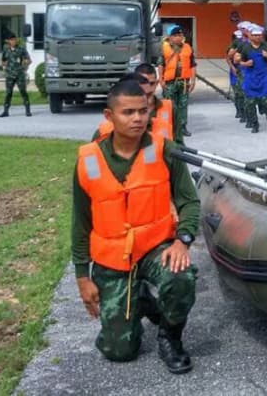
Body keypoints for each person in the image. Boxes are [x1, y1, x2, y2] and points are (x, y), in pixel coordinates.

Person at [72, 80, 200, 372]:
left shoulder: (165, 149)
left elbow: (190, 202)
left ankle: (170, 337)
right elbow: (80, 222)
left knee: (180, 276)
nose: (138, 118)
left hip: (156, 248)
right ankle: (140, 300)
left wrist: (183, 240)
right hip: (112, 258)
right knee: (119, 351)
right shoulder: (88, 159)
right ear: (109, 116)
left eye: (142, 111)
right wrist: (82, 276)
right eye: (128, 112)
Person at [93, 66, 174, 142]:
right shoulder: (103, 133)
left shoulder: (163, 130)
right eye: (128, 112)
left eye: (148, 95)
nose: (147, 102)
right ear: (109, 115)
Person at [234, 26, 267, 133]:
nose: (257, 37)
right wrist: (245, 63)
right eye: (255, 35)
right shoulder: (245, 47)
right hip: (250, 78)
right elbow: (236, 60)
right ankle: (255, 123)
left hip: (263, 78)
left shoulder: (266, 47)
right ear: (250, 36)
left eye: (259, 35)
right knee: (250, 103)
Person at [161, 26, 196, 142]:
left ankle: (182, 127)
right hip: (170, 82)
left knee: (183, 105)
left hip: (184, 81)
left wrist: (193, 80)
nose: (178, 38)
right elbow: (160, 65)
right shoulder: (165, 48)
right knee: (169, 105)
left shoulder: (188, 48)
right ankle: (170, 128)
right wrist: (161, 80)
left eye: (180, 35)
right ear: (170, 37)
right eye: (175, 35)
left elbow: (192, 65)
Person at [0, 33, 31, 118]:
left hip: (19, 75)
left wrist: (25, 67)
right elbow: (3, 60)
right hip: (9, 75)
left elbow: (28, 60)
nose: (13, 41)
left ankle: (28, 110)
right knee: (8, 93)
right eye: (11, 40)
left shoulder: (21, 49)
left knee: (23, 92)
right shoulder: (6, 50)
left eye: (14, 39)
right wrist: (4, 68)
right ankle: (6, 111)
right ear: (9, 41)